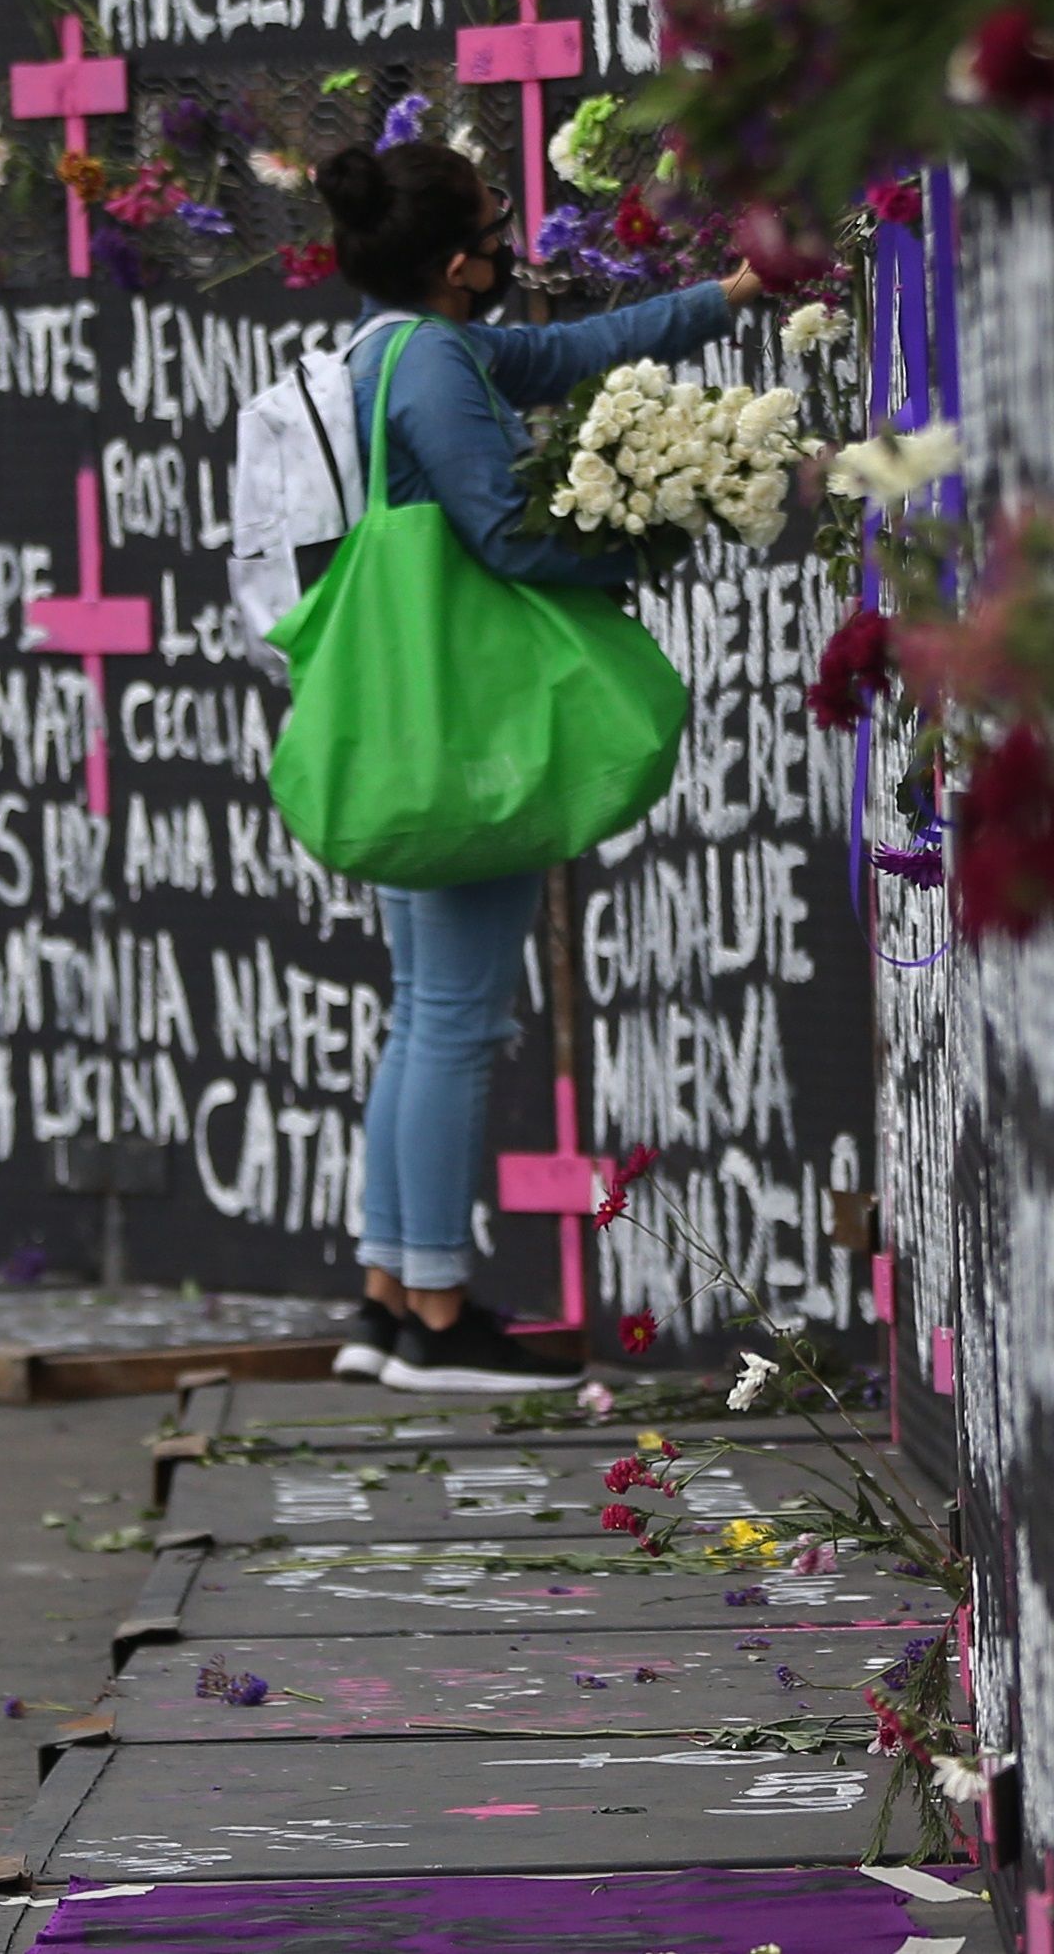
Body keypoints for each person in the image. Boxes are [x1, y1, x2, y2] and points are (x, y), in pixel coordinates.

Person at [308, 133, 761, 1395]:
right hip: (466, 724)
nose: (516, 240)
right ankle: (442, 1319)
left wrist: (718, 301)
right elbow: (506, 536)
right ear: (461, 263)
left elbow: (561, 353)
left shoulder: (385, 345)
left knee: (423, 1013)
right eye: (499, 225)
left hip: (405, 717)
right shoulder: (436, 363)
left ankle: (392, 1293)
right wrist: (660, 538)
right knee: (455, 1017)